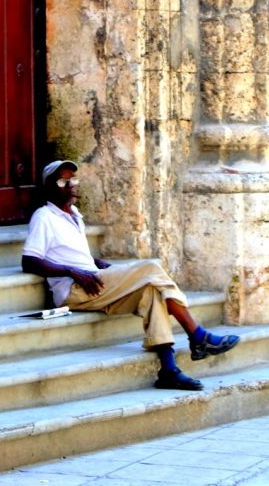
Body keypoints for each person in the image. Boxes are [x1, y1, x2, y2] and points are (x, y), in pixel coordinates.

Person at [21, 159, 240, 391]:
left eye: (73, 179)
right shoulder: (44, 217)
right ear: (50, 187)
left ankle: (168, 370)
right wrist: (71, 270)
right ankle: (198, 336)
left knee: (152, 291)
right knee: (151, 268)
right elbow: (29, 261)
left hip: (93, 281)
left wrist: (95, 262)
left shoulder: (74, 214)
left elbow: (70, 253)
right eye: (63, 181)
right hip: (74, 290)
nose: (71, 185)